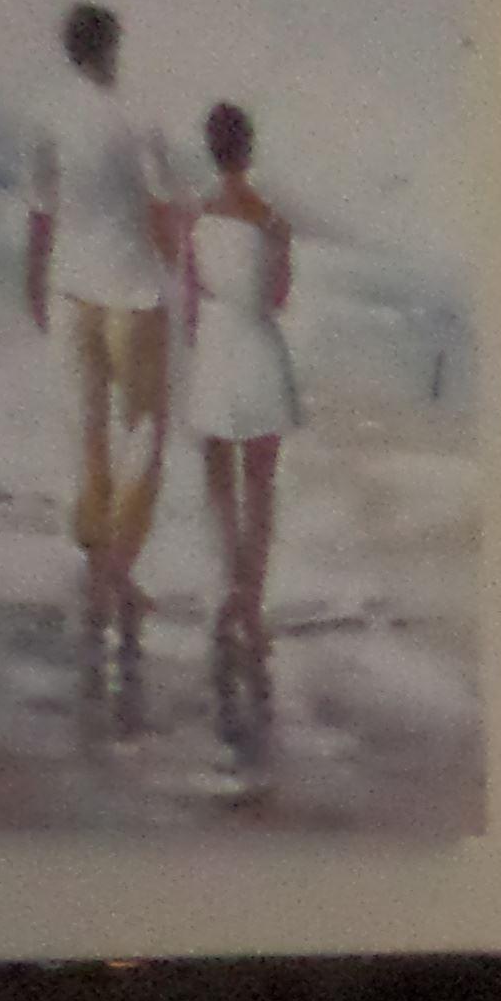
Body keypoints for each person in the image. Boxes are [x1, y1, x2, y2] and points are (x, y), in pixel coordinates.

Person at [24, 1, 178, 732]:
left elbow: (41, 213)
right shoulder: (138, 118)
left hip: (70, 288)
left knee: (87, 428)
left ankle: (100, 570)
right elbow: (166, 215)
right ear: (112, 49)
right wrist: (183, 283)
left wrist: (33, 281)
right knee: (143, 428)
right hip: (135, 291)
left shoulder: (48, 116)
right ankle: (117, 572)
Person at [182, 101, 299, 765]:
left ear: (210, 149)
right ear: (248, 150)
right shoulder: (273, 221)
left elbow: (191, 301)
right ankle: (252, 605)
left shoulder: (195, 216)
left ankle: (231, 591)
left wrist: (201, 347)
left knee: (220, 486)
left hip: (217, 350)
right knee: (261, 487)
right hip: (258, 347)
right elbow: (279, 298)